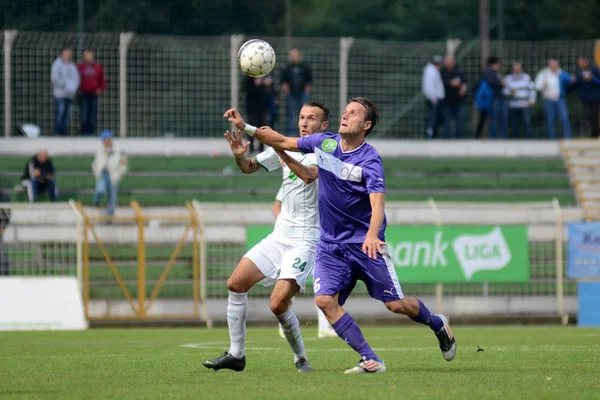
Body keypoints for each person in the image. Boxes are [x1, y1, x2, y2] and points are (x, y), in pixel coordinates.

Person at [225, 97, 456, 374]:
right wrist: (245, 126)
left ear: (366, 124)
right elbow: (282, 141)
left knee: (396, 305)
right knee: (324, 302)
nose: (346, 115)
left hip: (364, 244)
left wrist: (372, 234)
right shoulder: (326, 142)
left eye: (354, 113)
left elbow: (378, 203)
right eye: (346, 111)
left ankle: (437, 323)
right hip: (330, 244)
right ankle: (371, 359)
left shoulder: (370, 160)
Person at [202, 101, 330, 373]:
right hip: (279, 236)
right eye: (301, 117)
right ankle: (237, 355)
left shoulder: (326, 149)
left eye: (312, 119)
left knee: (277, 303)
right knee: (235, 283)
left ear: (324, 126)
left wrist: (280, 148)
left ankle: (301, 358)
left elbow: (307, 176)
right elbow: (248, 167)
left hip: (306, 241)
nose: (305, 123)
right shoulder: (285, 147)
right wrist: (238, 155)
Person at [271, 184, 337, 340]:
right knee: (290, 282)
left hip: (318, 240)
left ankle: (324, 327)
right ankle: (284, 322)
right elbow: (276, 207)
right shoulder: (292, 179)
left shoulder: (324, 179)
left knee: (321, 283)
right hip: (296, 241)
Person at [92, 130, 128, 217]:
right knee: (99, 190)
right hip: (103, 174)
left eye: (106, 139)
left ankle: (110, 215)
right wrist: (97, 172)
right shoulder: (100, 150)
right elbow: (95, 163)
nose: (105, 141)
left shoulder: (119, 150)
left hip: (113, 175)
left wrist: (118, 175)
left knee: (112, 197)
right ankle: (96, 203)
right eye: (103, 140)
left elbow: (123, 165)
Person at [535, 59, 573, 139]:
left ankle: (567, 137)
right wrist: (543, 85)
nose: (555, 67)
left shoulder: (561, 72)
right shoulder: (543, 74)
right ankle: (552, 138)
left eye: (556, 65)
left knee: (564, 118)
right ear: (549, 65)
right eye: (553, 65)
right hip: (549, 100)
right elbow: (537, 86)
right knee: (550, 119)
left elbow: (570, 80)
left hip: (560, 99)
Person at [281, 49, 312, 136]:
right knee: (291, 115)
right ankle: (291, 134)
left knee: (305, 114)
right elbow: (283, 81)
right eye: (292, 55)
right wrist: (287, 90)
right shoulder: (287, 67)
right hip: (292, 95)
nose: (294, 57)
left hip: (303, 94)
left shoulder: (305, 67)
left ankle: (304, 133)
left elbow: (309, 80)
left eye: (295, 55)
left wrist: (306, 91)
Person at [51, 47, 80, 136]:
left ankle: (63, 133)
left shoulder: (72, 65)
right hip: (60, 94)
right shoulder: (57, 64)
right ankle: (57, 132)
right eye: (66, 52)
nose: (68, 55)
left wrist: (73, 87)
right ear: (62, 53)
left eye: (69, 53)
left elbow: (77, 78)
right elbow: (55, 78)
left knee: (67, 115)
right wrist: (65, 85)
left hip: (69, 94)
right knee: (60, 113)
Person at [77, 49, 106, 136]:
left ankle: (91, 132)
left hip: (93, 93)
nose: (87, 56)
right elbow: (75, 79)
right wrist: (78, 88)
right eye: (85, 54)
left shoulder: (97, 67)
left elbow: (102, 80)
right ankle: (83, 131)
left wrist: (100, 89)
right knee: (84, 114)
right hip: (83, 93)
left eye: (89, 54)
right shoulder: (80, 67)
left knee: (92, 114)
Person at [503, 62, 536, 138]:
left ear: (521, 69)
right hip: (513, 106)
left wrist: (532, 100)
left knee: (527, 123)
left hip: (525, 105)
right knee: (514, 124)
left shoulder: (526, 77)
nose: (517, 70)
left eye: (518, 68)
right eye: (515, 68)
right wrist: (510, 92)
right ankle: (516, 140)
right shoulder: (508, 78)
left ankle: (529, 139)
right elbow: (504, 91)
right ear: (513, 69)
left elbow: (532, 90)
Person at [441, 55, 468, 139]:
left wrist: (463, 87)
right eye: (448, 61)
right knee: (447, 122)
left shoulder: (459, 71)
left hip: (459, 102)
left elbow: (464, 82)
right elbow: (449, 83)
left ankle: (459, 139)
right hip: (446, 102)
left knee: (459, 122)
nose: (450, 62)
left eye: (451, 60)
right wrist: (456, 83)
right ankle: (446, 140)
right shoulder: (442, 72)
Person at [573, 57, 600, 138]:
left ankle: (595, 135)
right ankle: (590, 134)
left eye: (581, 63)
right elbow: (575, 84)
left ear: (586, 62)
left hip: (595, 98)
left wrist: (592, 79)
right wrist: (572, 81)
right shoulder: (579, 73)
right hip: (585, 99)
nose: (580, 65)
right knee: (588, 117)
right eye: (579, 63)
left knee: (594, 117)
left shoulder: (595, 70)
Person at [483, 56, 507, 139]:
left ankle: (502, 136)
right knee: (494, 117)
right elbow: (491, 83)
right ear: (492, 64)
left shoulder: (497, 73)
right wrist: (501, 83)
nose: (499, 65)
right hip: (494, 97)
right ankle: (492, 136)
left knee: (503, 116)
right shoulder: (488, 72)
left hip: (500, 96)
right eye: (497, 64)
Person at [422, 55, 445, 138]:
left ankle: (433, 134)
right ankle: (430, 134)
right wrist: (433, 98)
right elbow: (429, 87)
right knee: (432, 118)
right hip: (433, 99)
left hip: (434, 98)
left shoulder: (433, 71)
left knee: (435, 118)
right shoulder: (431, 72)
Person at [243, 76, 268, 154]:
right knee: (250, 129)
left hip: (261, 108)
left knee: (261, 129)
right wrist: (256, 85)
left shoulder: (263, 77)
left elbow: (266, 92)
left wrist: (264, 84)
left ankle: (261, 149)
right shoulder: (248, 79)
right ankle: (251, 149)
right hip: (251, 109)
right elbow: (246, 91)